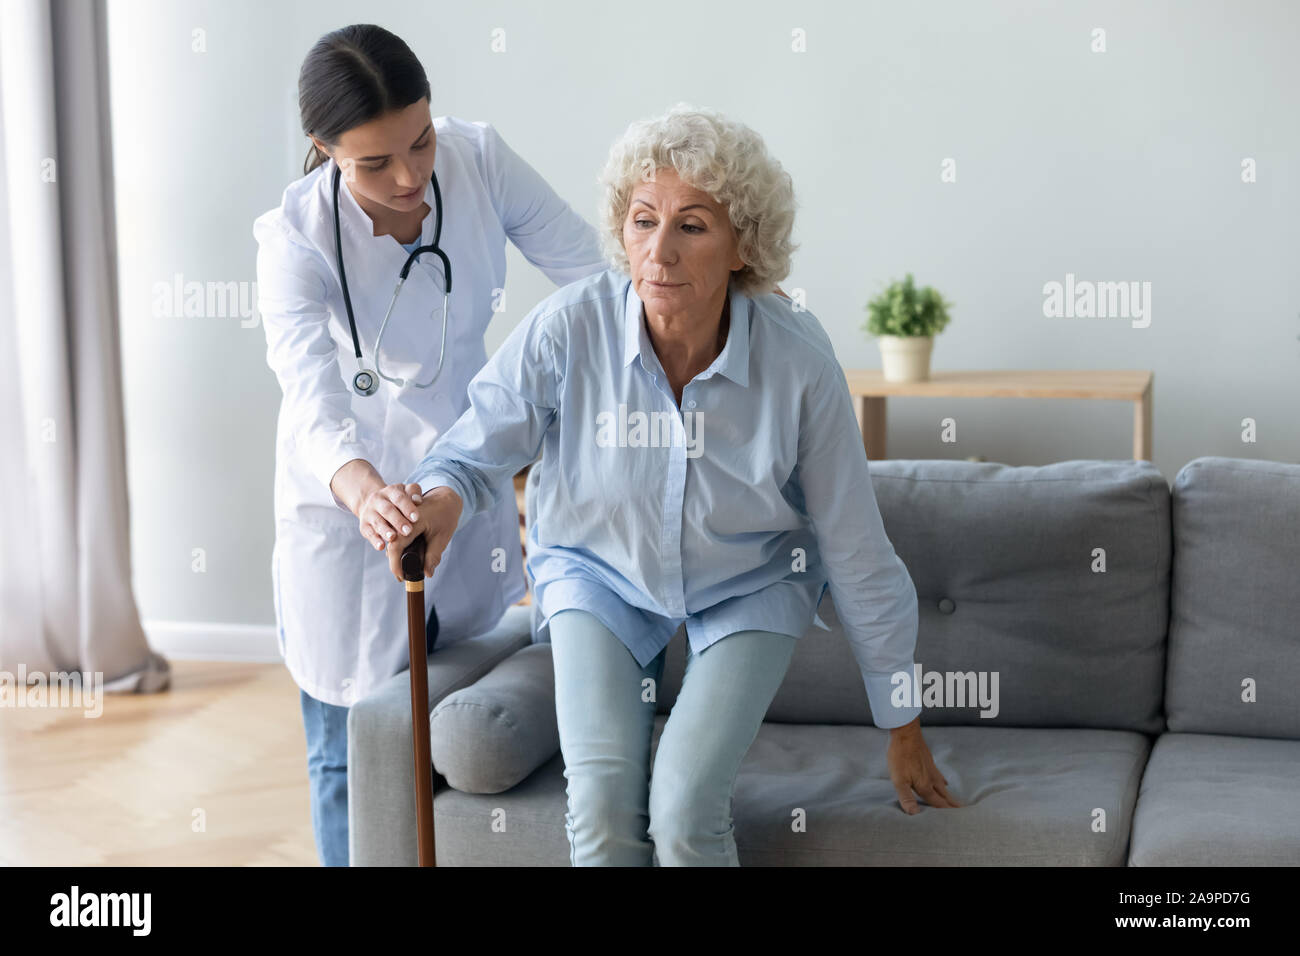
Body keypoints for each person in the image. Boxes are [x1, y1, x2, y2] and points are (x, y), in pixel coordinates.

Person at [387, 104, 961, 866]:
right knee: (599, 809)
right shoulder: (568, 329)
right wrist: (439, 502)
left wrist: (902, 718)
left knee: (686, 808)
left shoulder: (797, 359)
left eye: (692, 226)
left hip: (751, 578)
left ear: (740, 248)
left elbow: (853, 541)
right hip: (598, 573)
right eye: (642, 220)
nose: (658, 252)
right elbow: (473, 448)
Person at [252, 23, 606, 867]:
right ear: (324, 148)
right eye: (376, 163)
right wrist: (365, 488)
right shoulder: (294, 237)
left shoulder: (479, 160)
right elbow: (309, 396)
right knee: (350, 750)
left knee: (456, 724)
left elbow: (592, 280)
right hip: (345, 510)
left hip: (465, 480)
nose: (411, 176)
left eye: (420, 141)